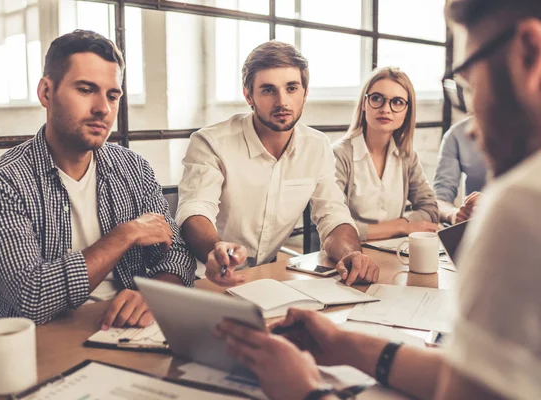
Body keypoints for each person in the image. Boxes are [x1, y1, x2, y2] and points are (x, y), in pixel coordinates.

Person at [216, 0, 541, 399]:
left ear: (529, 52)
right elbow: (476, 379)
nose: (469, 127)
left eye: (470, 84)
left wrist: (305, 391)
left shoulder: (523, 202)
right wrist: (345, 345)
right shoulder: (337, 152)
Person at [0, 30, 196, 327]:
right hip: (38, 340)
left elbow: (177, 255)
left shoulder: (135, 169)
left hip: (122, 327)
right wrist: (124, 235)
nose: (103, 108)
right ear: (46, 93)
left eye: (112, 95)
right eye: (86, 89)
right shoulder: (1, 182)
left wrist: (154, 294)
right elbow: (33, 298)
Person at [176, 40, 378, 287]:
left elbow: (332, 214)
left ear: (305, 92)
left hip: (266, 278)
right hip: (198, 276)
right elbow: (195, 209)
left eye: (291, 88)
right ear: (248, 95)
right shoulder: (210, 142)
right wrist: (215, 250)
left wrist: (350, 254)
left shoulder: (317, 146)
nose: (282, 101)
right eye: (268, 90)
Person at [332, 67, 439, 241]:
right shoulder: (339, 155)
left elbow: (430, 208)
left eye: (397, 102)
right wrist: (402, 226)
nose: (385, 109)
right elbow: (337, 226)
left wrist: (400, 226)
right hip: (349, 254)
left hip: (394, 252)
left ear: (407, 111)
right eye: (376, 99)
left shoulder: (407, 157)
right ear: (364, 104)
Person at [434, 116, 487, 224]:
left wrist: (490, 202)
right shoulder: (456, 134)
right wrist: (454, 214)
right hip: (475, 228)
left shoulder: (530, 129)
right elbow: (439, 199)